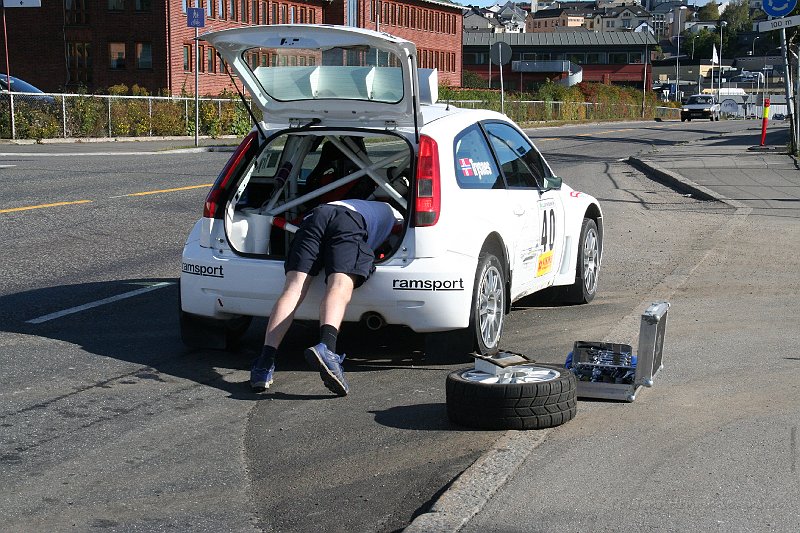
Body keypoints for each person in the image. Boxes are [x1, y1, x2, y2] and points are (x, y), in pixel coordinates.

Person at [250, 199, 402, 395]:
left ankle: (264, 363)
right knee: (339, 285)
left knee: (293, 288)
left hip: (315, 215)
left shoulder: (366, 204)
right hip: (350, 221)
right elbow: (394, 246)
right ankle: (327, 349)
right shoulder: (395, 216)